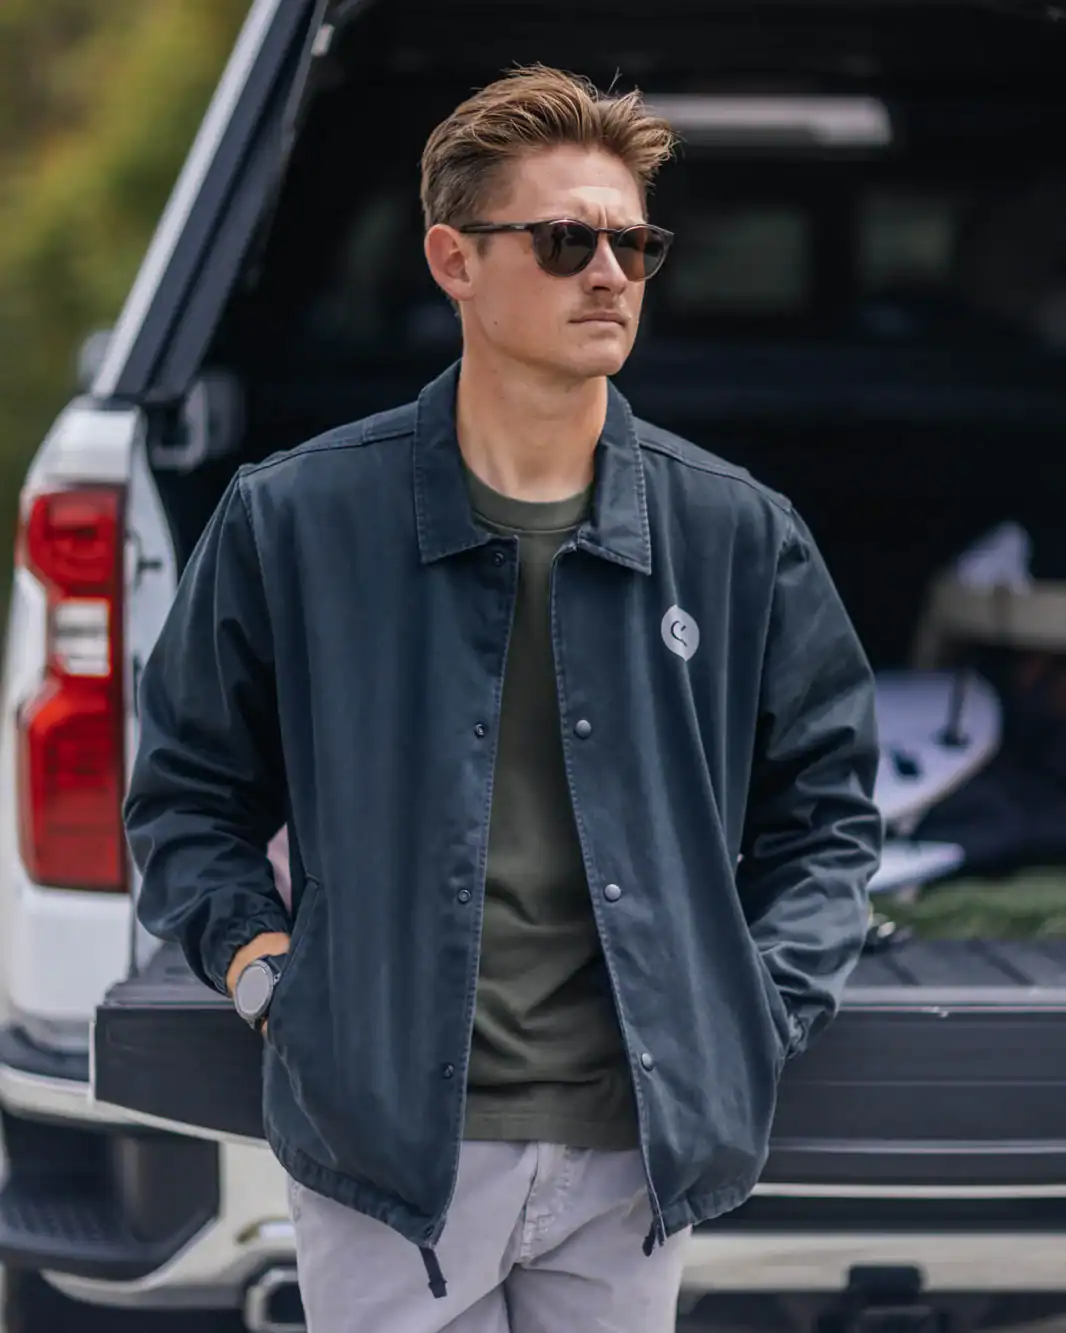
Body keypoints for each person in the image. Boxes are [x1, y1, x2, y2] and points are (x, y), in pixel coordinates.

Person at [125, 64, 882, 1333]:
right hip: (387, 1152)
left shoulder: (740, 533)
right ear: (453, 259)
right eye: (566, 238)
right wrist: (269, 977)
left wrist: (746, 1011)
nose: (610, 273)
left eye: (634, 242)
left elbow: (830, 815)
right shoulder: (295, 517)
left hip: (630, 1159)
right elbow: (187, 793)